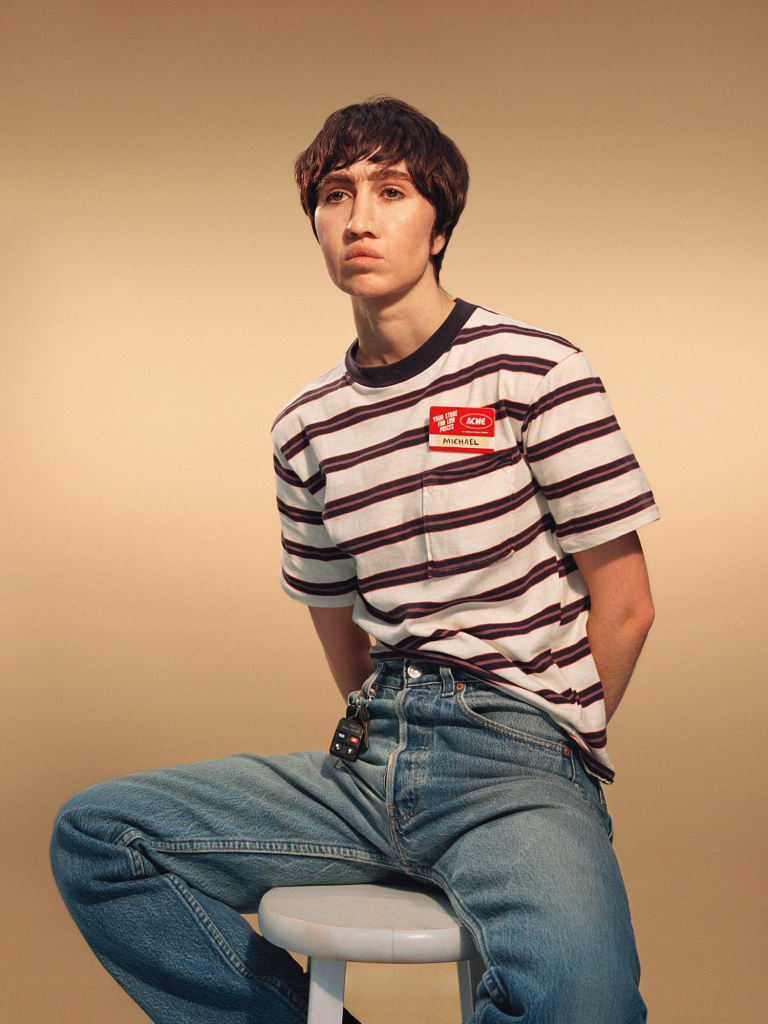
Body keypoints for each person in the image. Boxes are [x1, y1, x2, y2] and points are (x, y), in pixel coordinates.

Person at [50, 95, 659, 1023]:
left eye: (391, 190)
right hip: (369, 762)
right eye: (336, 196)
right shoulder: (307, 425)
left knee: (586, 1002)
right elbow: (337, 626)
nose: (360, 218)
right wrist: (393, 741)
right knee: (100, 835)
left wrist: (543, 746)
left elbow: (625, 606)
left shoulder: (535, 370)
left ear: (440, 224)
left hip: (518, 760)